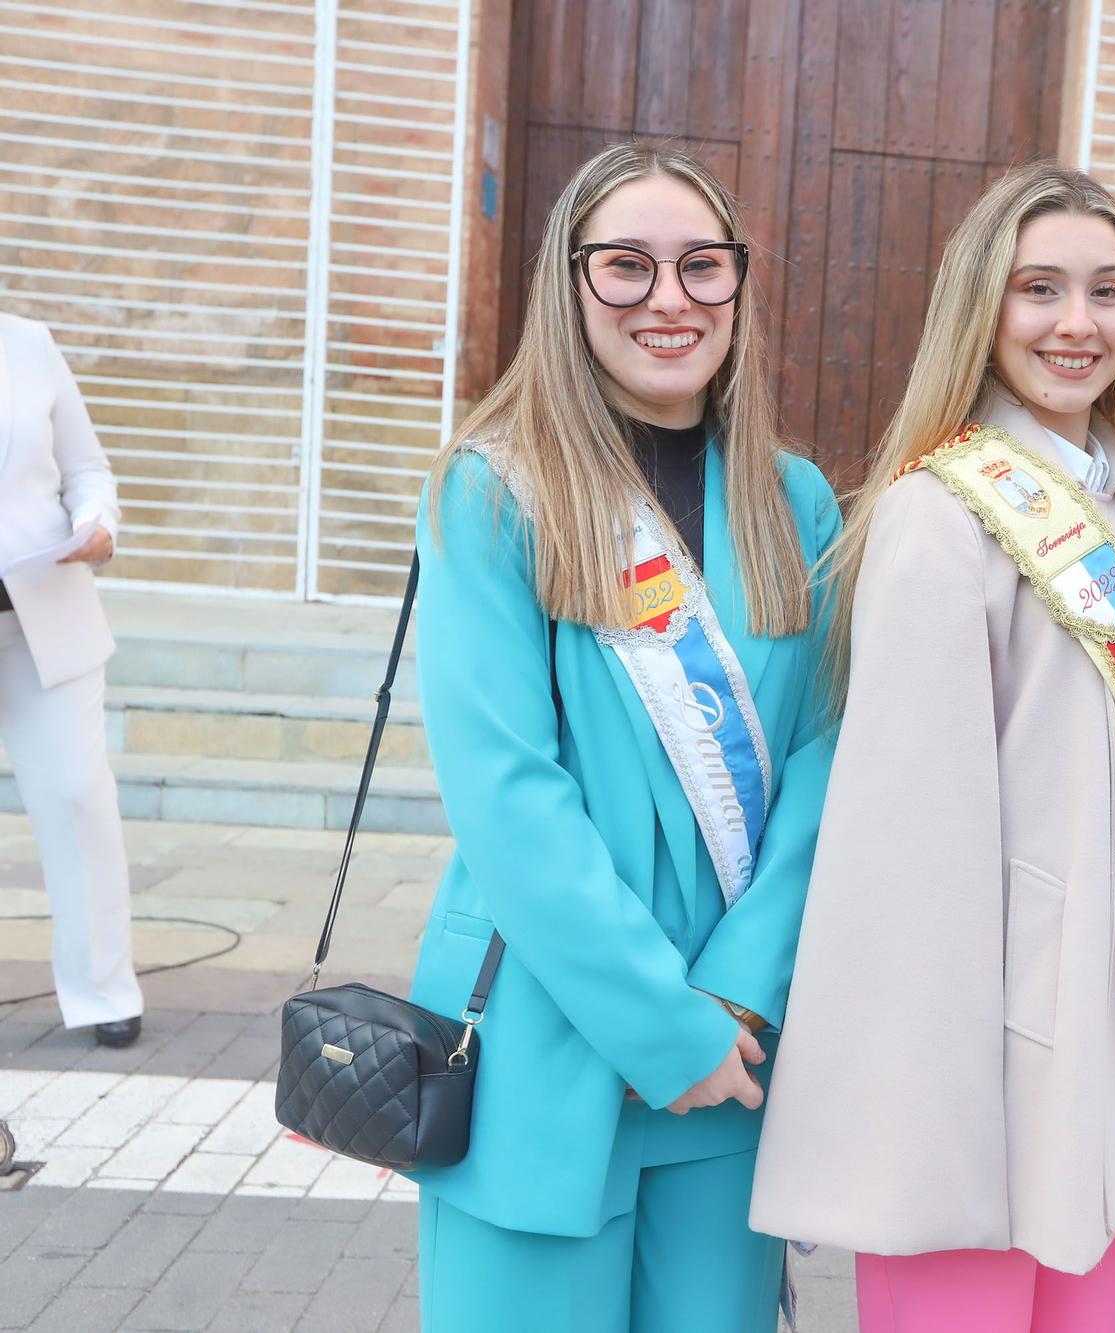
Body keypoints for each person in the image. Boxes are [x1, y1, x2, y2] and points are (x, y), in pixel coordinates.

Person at [751, 162, 1115, 1333]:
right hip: (981, 1063)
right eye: (1040, 289)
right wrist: (923, 1116)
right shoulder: (939, 516)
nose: (1077, 325)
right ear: (982, 308)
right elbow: (904, 852)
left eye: (1107, 291)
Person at [404, 141, 839, 1333]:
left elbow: (822, 756)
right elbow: (506, 795)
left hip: (732, 1051)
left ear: (739, 286)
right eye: (627, 267)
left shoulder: (793, 499)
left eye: (703, 266)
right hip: (549, 1033)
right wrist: (664, 1024)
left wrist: (740, 996)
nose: (670, 299)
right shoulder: (493, 491)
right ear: (568, 282)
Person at [0, 312, 142, 1048]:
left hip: (41, 609)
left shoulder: (28, 343)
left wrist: (97, 523)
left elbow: (86, 469)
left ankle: (103, 991)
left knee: (78, 795)